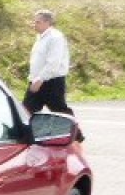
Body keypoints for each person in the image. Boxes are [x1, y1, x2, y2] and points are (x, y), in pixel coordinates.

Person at [23, 9, 83, 143]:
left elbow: (53, 62)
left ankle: (76, 135)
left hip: (52, 82)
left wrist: (41, 79)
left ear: (47, 22)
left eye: (37, 22)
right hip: (36, 80)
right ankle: (24, 136)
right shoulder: (40, 37)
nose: (34, 24)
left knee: (59, 110)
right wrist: (35, 78)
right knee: (26, 109)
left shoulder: (56, 38)